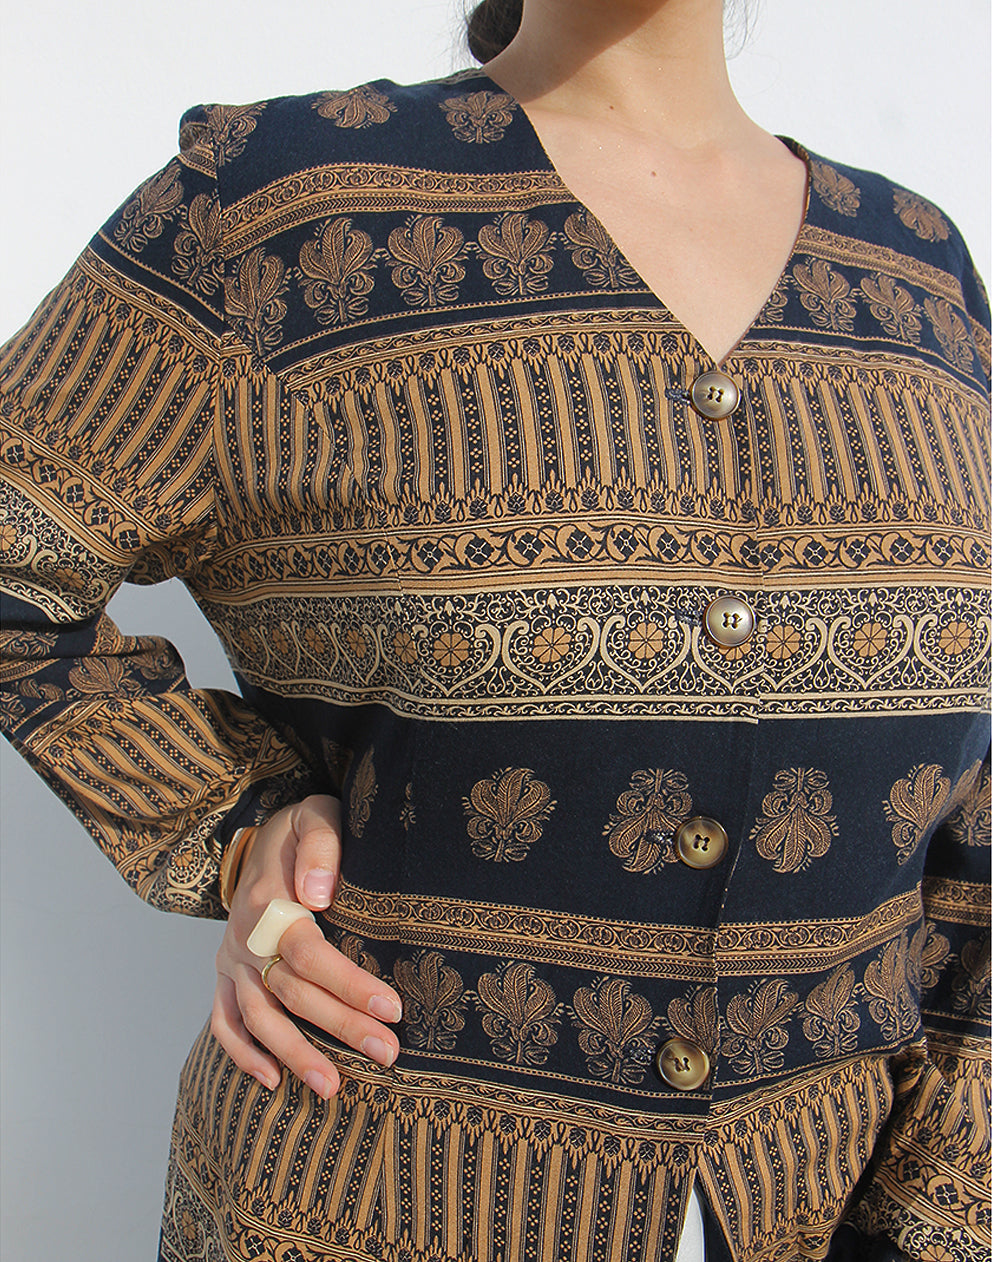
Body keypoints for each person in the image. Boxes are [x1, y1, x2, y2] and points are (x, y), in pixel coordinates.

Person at [1, 1, 988, 1259]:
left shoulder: (921, 276)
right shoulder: (280, 219)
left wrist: (938, 1221)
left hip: (818, 1200)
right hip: (366, 1200)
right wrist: (233, 817)